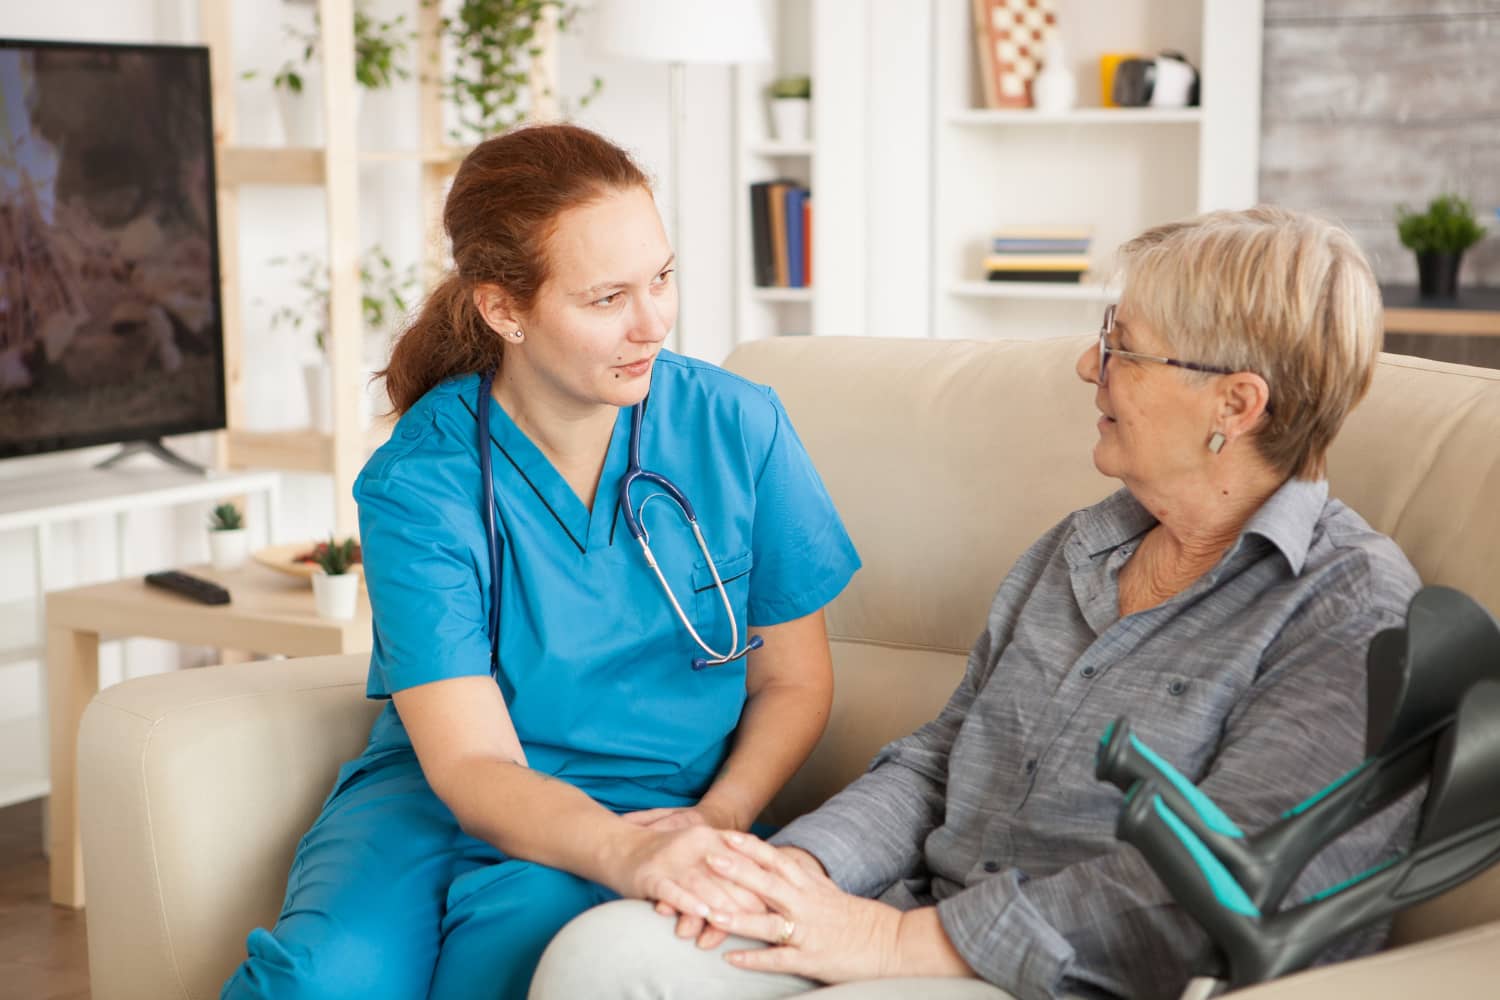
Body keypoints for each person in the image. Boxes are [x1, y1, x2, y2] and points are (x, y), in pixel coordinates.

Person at [529, 206, 1424, 1000]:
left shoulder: (1351, 611)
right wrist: (789, 870)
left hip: (1069, 975)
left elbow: (1222, 889)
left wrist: (897, 942)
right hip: (911, 914)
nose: (1088, 364)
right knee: (603, 961)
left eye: (1122, 346)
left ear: (1235, 402)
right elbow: (937, 764)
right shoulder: (1080, 548)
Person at [220, 123, 860, 1000]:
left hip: (653, 800)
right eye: (606, 299)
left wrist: (711, 823)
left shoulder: (738, 427)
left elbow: (795, 681)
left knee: (509, 967)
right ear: (503, 310)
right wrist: (631, 853)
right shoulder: (424, 480)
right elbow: (472, 765)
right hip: (439, 797)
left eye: (662, 278)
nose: (653, 324)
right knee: (317, 985)